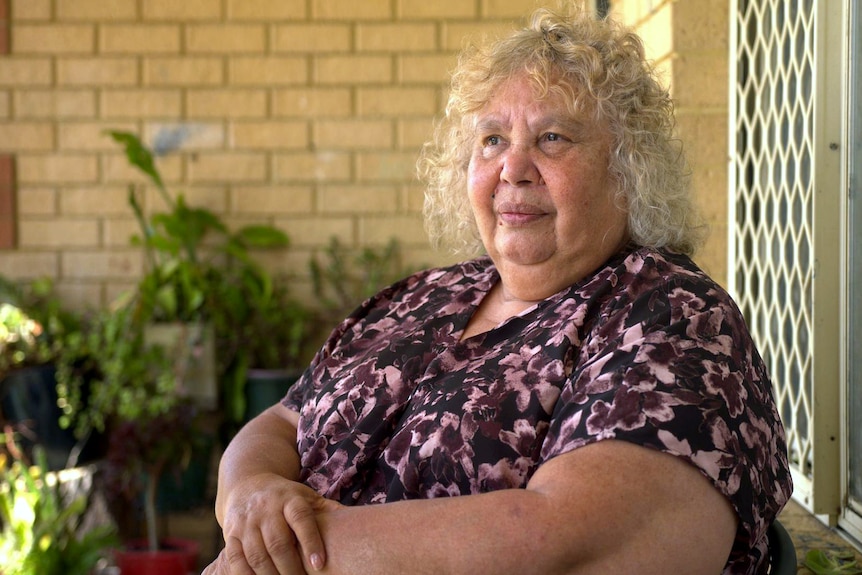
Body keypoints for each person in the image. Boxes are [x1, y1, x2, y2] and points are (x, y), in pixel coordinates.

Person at [203, 7, 792, 575]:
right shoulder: (426, 295)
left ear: (628, 169)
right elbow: (284, 421)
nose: (513, 167)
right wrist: (252, 493)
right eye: (491, 140)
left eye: (553, 137)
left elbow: (572, 544)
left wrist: (287, 556)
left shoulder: (669, 314)